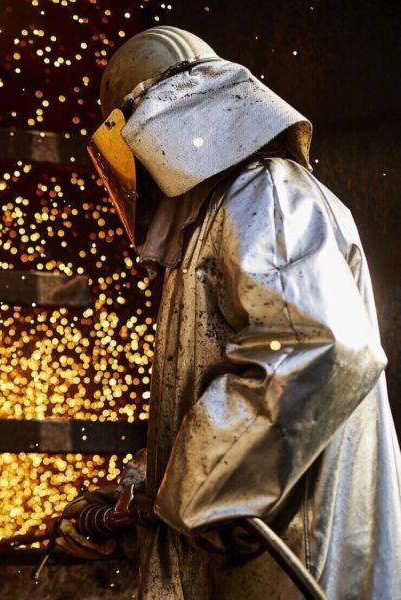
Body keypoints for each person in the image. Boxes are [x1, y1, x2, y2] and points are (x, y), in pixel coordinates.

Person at [69, 25, 401, 599]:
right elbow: (226, 398)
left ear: (150, 126)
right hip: (250, 560)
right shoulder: (209, 223)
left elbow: (313, 348)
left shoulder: (266, 194)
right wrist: (144, 486)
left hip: (296, 555)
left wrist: (186, 489)